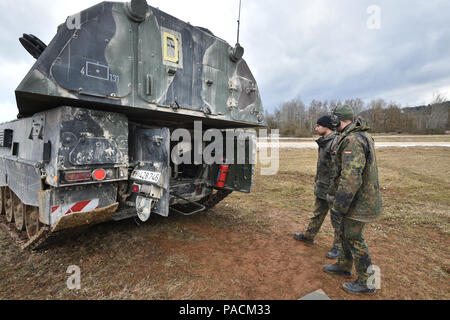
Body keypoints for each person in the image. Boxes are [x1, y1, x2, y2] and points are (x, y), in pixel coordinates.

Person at [323, 105, 382, 295]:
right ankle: (344, 265)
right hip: (357, 199)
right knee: (345, 233)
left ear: (338, 120)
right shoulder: (359, 135)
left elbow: (351, 178)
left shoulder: (353, 140)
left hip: (358, 201)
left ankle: (368, 282)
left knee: (354, 237)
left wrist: (339, 205)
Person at [294, 115, 342, 260]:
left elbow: (336, 169)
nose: (316, 128)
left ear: (326, 126)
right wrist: (317, 181)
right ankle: (308, 236)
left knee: (337, 220)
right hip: (322, 185)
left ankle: (338, 248)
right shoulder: (324, 142)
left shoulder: (334, 142)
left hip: (332, 189)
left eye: (318, 125)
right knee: (317, 213)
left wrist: (334, 189)